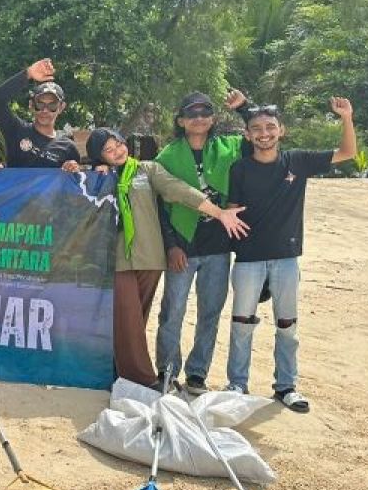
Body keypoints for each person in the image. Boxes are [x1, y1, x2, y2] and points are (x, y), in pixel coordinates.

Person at [83, 128, 250, 388]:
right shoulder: (96, 176)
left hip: (149, 257)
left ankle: (116, 371)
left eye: (118, 144)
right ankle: (142, 377)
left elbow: (178, 190)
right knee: (127, 318)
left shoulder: (147, 170)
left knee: (137, 319)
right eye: (108, 149)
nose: (117, 151)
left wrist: (219, 213)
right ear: (98, 156)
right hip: (117, 258)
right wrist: (84, 171)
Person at [224, 98, 356, 412]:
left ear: (282, 130)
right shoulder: (239, 169)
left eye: (270, 127)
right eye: (256, 128)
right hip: (248, 258)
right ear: (247, 135)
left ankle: (286, 386)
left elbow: (348, 153)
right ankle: (237, 384)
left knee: (287, 325)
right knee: (242, 323)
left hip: (285, 258)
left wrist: (346, 117)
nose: (264, 133)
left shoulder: (298, 161)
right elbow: (233, 209)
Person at [153, 89, 252, 394]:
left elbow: (260, 136)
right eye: (191, 114)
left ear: (213, 118)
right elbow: (160, 205)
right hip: (184, 244)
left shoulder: (229, 147)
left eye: (205, 112)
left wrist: (245, 109)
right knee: (173, 311)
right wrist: (171, 245)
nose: (199, 118)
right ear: (181, 120)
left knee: (210, 311)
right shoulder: (167, 156)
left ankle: (197, 373)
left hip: (218, 247)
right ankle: (167, 371)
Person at [0, 58, 80, 168]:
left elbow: (76, 181)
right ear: (31, 105)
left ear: (61, 107)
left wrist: (72, 168)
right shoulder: (16, 130)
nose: (45, 110)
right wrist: (28, 73)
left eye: (52, 105)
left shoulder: (68, 148)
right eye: (40, 104)